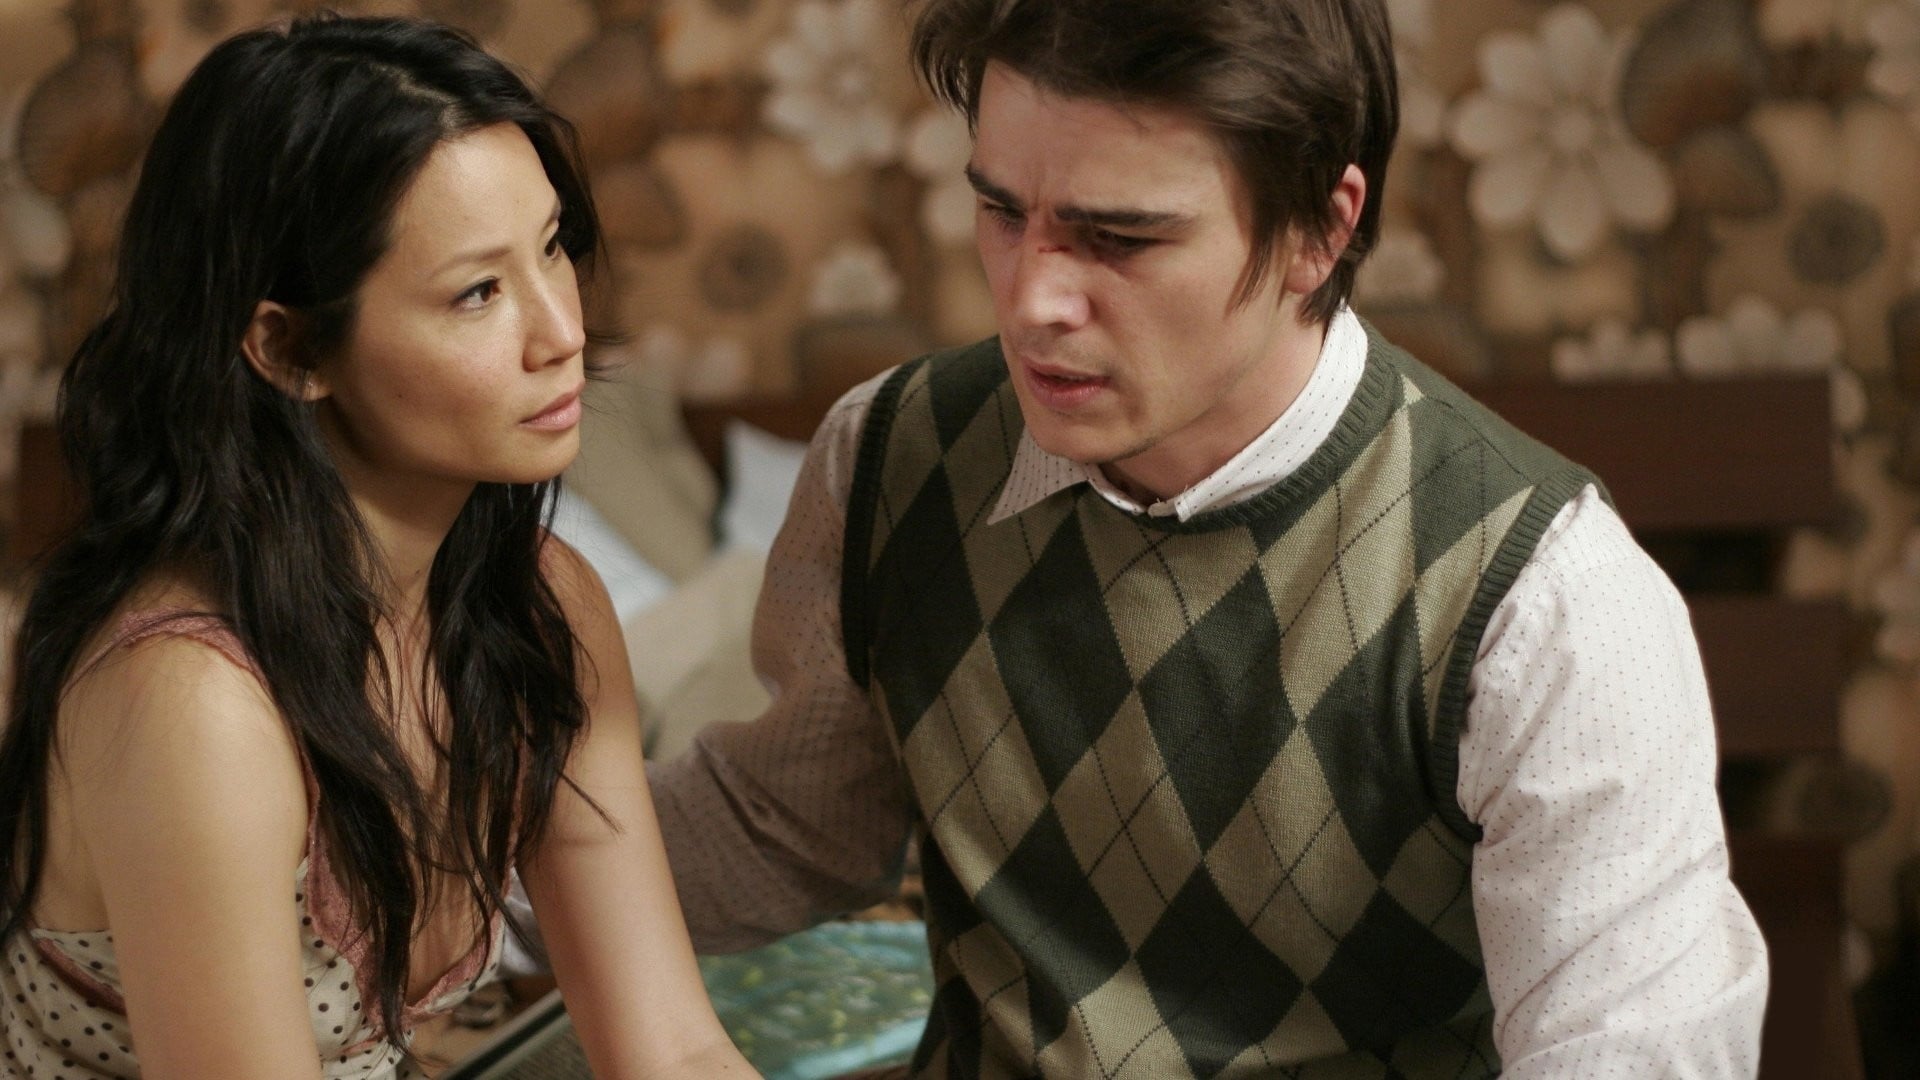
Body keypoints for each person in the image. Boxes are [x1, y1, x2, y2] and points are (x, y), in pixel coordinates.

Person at [643, 0, 1771, 1075]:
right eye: (1003, 212)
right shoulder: (890, 458)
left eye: (1119, 238)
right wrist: (529, 820)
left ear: (1318, 232)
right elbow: (783, 828)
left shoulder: (1549, 604)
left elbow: (1625, 1050)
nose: (1032, 300)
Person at [0, 15, 753, 1079]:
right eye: (478, 292)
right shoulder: (196, 701)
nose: (562, 333)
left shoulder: (545, 609)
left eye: (551, 248)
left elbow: (671, 1049)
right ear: (289, 347)